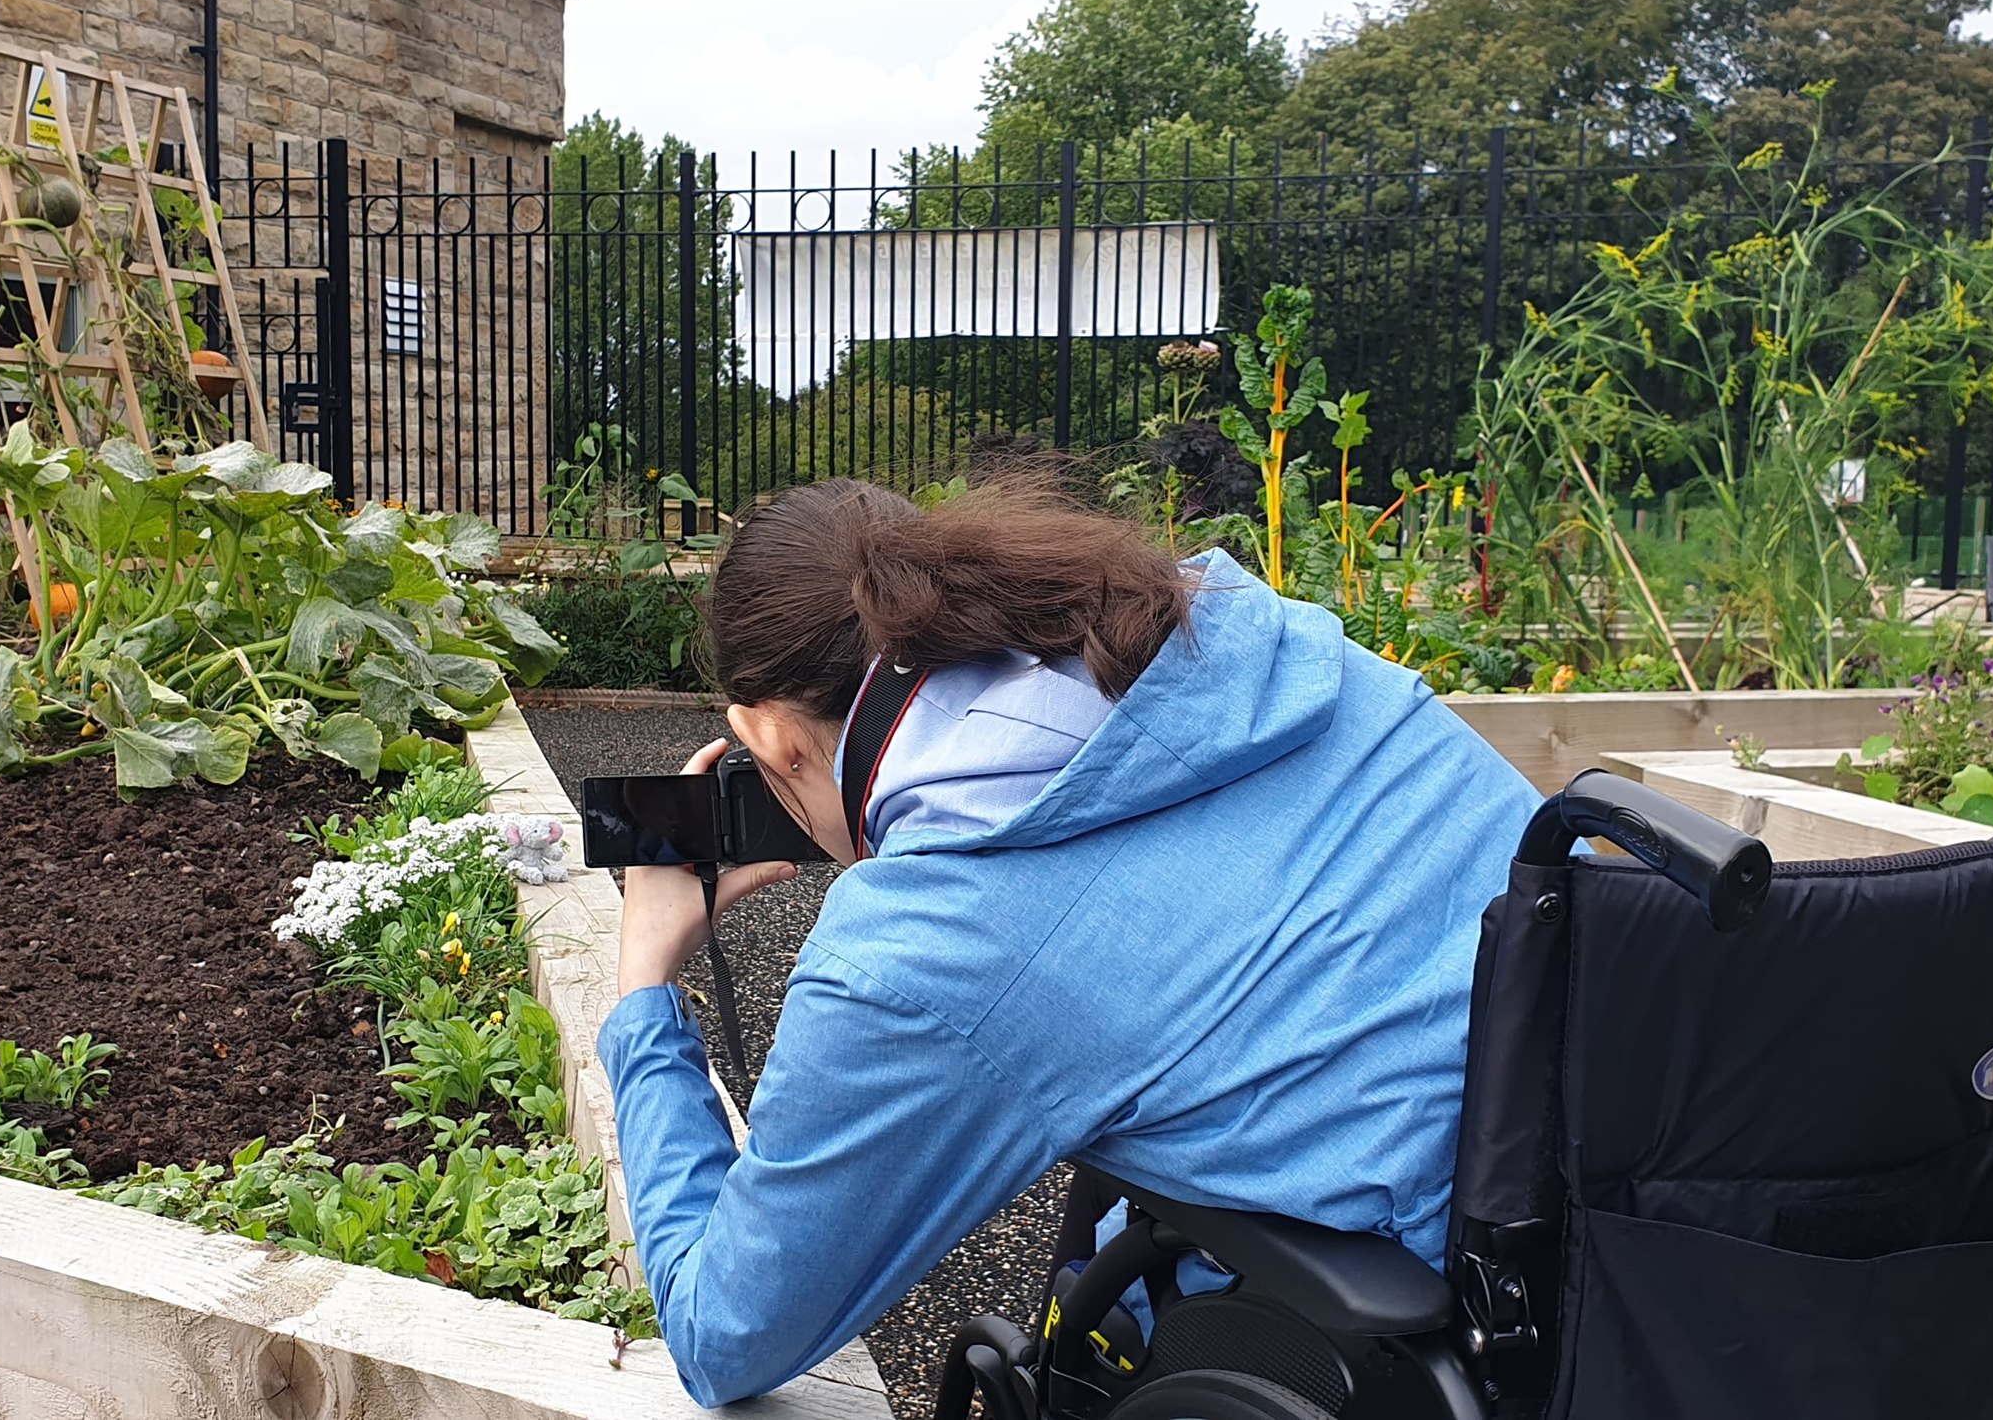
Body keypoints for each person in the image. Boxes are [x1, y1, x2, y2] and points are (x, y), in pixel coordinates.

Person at [599, 476, 1542, 1406]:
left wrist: (645, 981)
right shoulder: (1241, 636)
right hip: (1618, 1248)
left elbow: (724, 1333)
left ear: (766, 738)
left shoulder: (925, 946)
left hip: (1415, 1342)